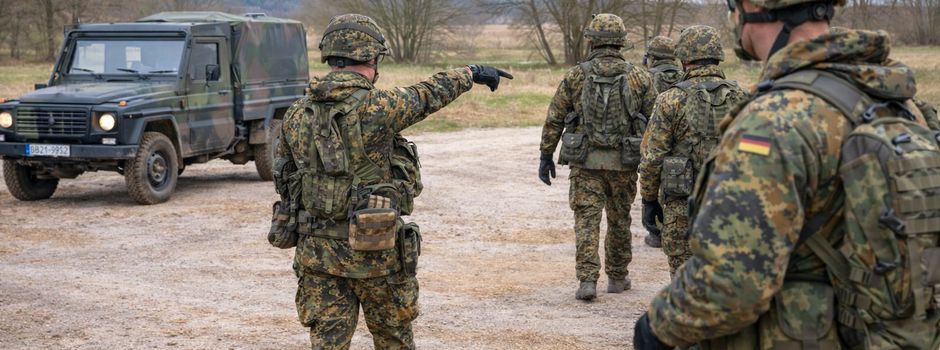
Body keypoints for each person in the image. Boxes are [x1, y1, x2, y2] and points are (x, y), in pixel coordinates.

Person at [634, 0, 940, 348]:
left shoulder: (775, 120)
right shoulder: (898, 103)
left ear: (754, 7)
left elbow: (732, 284)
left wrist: (655, 329)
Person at [272, 14, 512, 349]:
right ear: (371, 58)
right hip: (377, 257)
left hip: (317, 257)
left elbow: (283, 177)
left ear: (331, 57)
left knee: (326, 343)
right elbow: (427, 94)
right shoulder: (379, 107)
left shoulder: (296, 113)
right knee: (393, 341)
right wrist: (471, 73)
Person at [538, 13, 657, 301]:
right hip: (624, 164)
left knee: (586, 220)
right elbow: (656, 122)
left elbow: (555, 117)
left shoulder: (576, 75)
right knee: (619, 220)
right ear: (620, 42)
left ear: (592, 41)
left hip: (585, 163)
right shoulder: (639, 76)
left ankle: (587, 281)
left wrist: (546, 154)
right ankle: (617, 277)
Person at [638, 25, 746, 275]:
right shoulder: (742, 97)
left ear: (684, 58)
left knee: (683, 280)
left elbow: (653, 157)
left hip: (682, 206)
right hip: (729, 203)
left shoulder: (670, 99)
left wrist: (649, 199)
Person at [641, 35, 683, 249]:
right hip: (681, 140)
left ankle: (656, 231)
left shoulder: (646, 77)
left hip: (654, 137)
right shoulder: (685, 75)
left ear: (653, 57)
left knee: (654, 178)